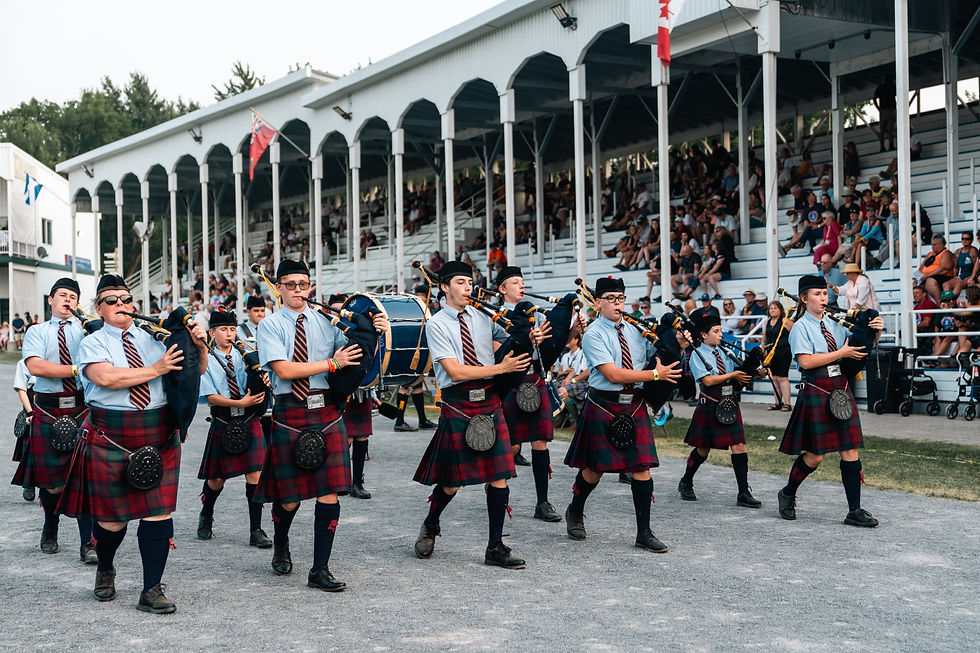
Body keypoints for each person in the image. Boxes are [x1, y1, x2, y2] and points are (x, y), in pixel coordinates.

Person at [59, 274, 209, 613]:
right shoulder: (93, 342)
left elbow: (193, 372)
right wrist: (156, 368)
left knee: (158, 514)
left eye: (126, 299)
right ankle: (105, 567)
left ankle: (151, 589)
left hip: (157, 432)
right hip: (112, 433)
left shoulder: (154, 338)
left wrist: (199, 347)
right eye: (111, 301)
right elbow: (105, 378)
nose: (121, 306)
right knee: (113, 520)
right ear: (99, 308)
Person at [254, 260, 387, 592]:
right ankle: (281, 541)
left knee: (329, 494)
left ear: (310, 287)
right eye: (291, 284)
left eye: (304, 284)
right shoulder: (269, 325)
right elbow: (283, 371)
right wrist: (331, 363)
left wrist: (375, 332)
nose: (298, 290)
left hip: (326, 409)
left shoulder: (328, 323)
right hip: (290, 410)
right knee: (289, 499)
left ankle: (320, 568)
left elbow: (354, 356)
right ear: (279, 288)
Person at [411, 261, 532, 568]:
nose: (468, 288)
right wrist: (500, 368)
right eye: (462, 282)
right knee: (452, 482)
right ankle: (432, 522)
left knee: (499, 477)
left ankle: (495, 546)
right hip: (459, 402)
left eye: (470, 282)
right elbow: (453, 370)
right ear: (445, 287)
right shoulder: (437, 324)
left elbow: (507, 340)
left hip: (489, 401)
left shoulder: (481, 315)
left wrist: (530, 336)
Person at [562, 276, 681, 553]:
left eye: (621, 299)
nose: (617, 304)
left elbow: (659, 356)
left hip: (634, 404)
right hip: (605, 404)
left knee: (641, 469)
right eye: (611, 299)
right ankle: (575, 510)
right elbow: (613, 374)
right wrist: (654, 375)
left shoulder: (636, 330)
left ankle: (644, 531)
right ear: (597, 302)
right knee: (593, 471)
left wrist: (673, 341)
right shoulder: (593, 334)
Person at [776, 275, 884, 528]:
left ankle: (854, 510)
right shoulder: (800, 327)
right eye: (817, 294)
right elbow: (805, 362)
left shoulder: (835, 323)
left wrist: (874, 330)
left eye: (825, 294)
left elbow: (857, 348)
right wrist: (841, 353)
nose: (823, 298)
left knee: (850, 450)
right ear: (804, 299)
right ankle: (788, 492)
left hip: (840, 387)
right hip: (817, 387)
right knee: (816, 456)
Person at [11, 279, 94, 562]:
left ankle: (89, 542)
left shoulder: (87, 330)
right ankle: (50, 525)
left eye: (73, 296)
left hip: (81, 408)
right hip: (48, 410)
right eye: (62, 295)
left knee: (85, 478)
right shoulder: (36, 331)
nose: (67, 300)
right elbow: (35, 366)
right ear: (51, 299)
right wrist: (75, 369)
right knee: (52, 485)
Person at [196, 309, 272, 548]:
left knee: (255, 474)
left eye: (232, 329)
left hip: (250, 420)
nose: (229, 334)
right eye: (223, 329)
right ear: (212, 332)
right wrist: (239, 403)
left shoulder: (247, 356)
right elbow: (210, 397)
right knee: (217, 479)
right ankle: (206, 513)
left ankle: (256, 529)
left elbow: (260, 384)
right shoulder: (206, 359)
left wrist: (264, 382)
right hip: (224, 420)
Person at [495, 266, 561, 521]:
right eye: (515, 282)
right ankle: (497, 495)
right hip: (511, 380)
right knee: (509, 446)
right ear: (502, 289)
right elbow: (497, 350)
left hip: (534, 379)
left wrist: (574, 329)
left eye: (522, 282)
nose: (521, 286)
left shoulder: (536, 315)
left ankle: (542, 502)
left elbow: (552, 346)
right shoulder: (496, 316)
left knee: (540, 442)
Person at [677, 313, 761, 507]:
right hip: (710, 404)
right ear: (704, 335)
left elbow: (737, 375)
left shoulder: (724, 352)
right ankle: (686, 481)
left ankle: (743, 492)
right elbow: (707, 380)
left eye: (721, 330)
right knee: (703, 450)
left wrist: (756, 371)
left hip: (729, 403)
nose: (720, 334)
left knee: (739, 446)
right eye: (716, 331)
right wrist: (732, 374)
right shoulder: (697, 354)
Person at [330, 294, 379, 500]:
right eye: (334, 309)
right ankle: (341, 481)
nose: (337, 312)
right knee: (346, 438)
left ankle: (357, 482)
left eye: (340, 309)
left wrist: (373, 391)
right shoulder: (329, 330)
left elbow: (373, 360)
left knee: (362, 436)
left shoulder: (357, 327)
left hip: (362, 390)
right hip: (342, 389)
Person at [762, 301, 793, 411]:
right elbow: (764, 339)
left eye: (775, 308)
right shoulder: (767, 322)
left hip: (783, 352)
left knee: (782, 377)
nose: (773, 310)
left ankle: (787, 403)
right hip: (771, 353)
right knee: (774, 378)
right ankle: (777, 402)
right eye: (771, 308)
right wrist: (763, 353)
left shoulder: (785, 321)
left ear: (780, 309)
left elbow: (795, 334)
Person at [13, 358, 36, 501]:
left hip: (53, 404)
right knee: (30, 447)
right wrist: (30, 412)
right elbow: (21, 389)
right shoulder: (23, 363)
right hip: (32, 404)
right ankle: (29, 483)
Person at [919, 235, 956, 304]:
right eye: (932, 244)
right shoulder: (930, 254)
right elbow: (921, 267)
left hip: (943, 276)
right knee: (914, 286)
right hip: (927, 276)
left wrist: (928, 275)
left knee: (930, 281)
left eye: (935, 245)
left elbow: (944, 268)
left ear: (941, 244)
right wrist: (918, 277)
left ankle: (940, 303)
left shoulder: (946, 253)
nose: (932, 247)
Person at [946, 231, 979, 297]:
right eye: (963, 238)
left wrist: (972, 278)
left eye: (967, 239)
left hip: (971, 275)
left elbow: (977, 265)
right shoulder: (957, 252)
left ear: (971, 240)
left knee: (959, 284)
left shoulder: (973, 251)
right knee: (946, 284)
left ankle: (952, 301)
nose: (964, 240)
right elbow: (955, 267)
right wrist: (955, 277)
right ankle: (947, 301)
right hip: (962, 276)